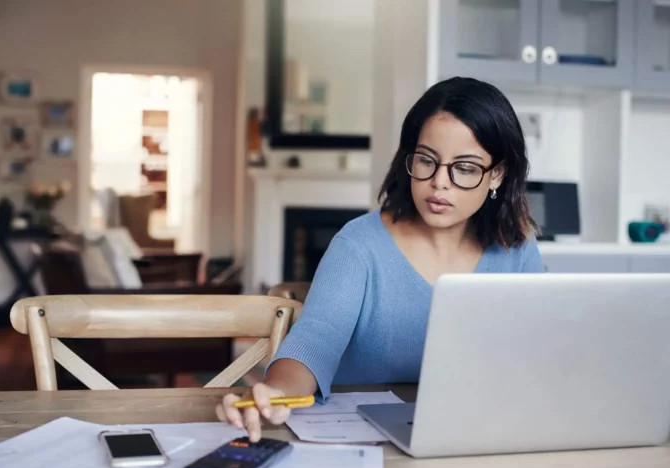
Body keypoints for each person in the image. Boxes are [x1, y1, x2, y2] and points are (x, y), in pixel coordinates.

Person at [217, 77, 544, 441]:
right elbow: (314, 342)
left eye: (465, 168)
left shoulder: (517, 248)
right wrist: (277, 392)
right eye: (427, 161)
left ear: (496, 174)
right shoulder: (358, 246)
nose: (439, 183)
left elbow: (538, 355)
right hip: (363, 442)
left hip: (476, 436)